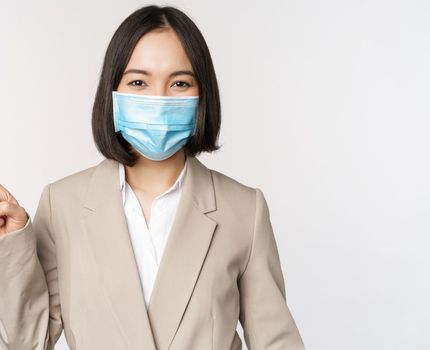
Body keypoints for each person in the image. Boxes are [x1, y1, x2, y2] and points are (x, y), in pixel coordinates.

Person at [0, 5, 304, 350]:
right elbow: (28, 343)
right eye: (139, 82)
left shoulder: (244, 210)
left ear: (202, 96)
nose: (159, 100)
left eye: (179, 82)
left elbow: (277, 343)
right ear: (112, 94)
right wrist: (13, 244)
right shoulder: (63, 204)